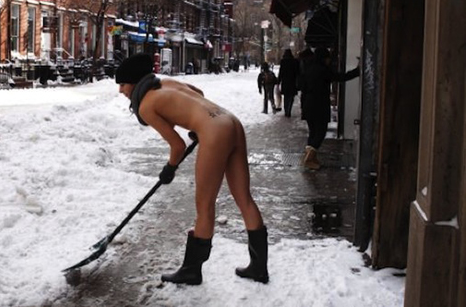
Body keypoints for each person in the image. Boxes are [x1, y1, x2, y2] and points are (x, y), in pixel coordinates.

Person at [115, 53, 269, 285]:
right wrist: (196, 123)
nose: (120, 90)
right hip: (231, 121)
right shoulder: (167, 83)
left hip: (215, 132)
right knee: (244, 198)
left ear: (135, 82)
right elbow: (198, 93)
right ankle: (259, 267)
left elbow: (177, 146)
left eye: (123, 84)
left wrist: (169, 168)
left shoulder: (146, 105)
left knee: (204, 206)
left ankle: (191, 271)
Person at [301, 47, 359, 170]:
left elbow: (302, 86)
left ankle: (310, 157)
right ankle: (309, 158)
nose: (329, 60)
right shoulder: (323, 70)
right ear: (323, 58)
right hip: (319, 104)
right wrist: (357, 71)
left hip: (308, 104)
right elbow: (340, 77)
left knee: (313, 132)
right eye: (327, 58)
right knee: (321, 131)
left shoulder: (308, 68)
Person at [278, 49, 300, 117]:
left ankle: (286, 110)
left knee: (286, 97)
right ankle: (289, 109)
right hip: (292, 81)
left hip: (285, 82)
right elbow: (298, 72)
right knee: (291, 96)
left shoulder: (283, 61)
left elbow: (281, 72)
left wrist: (278, 81)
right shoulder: (295, 61)